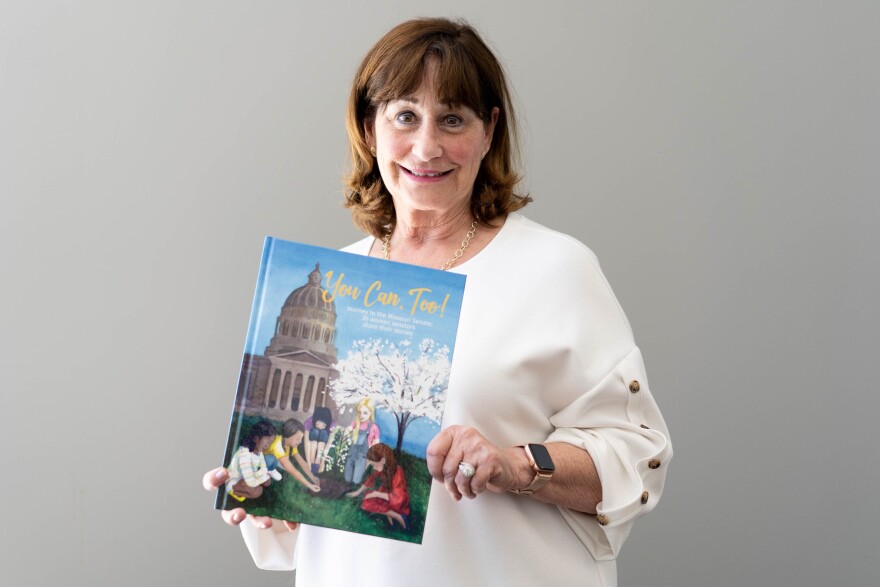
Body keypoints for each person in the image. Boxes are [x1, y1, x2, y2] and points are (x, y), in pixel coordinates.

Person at [204, 17, 672, 585]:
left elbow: (636, 455)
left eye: (452, 118)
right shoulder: (341, 279)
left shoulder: (554, 269)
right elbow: (320, 522)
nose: (427, 146)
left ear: (489, 130)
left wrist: (513, 463)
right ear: (369, 128)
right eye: (405, 115)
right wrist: (263, 496)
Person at [346, 443, 411, 530]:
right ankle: (390, 514)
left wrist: (376, 494)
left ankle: (398, 517)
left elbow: (399, 497)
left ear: (383, 460)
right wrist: (357, 492)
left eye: (374, 464)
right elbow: (370, 480)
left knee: (371, 499)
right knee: (365, 504)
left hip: (398, 499)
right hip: (386, 495)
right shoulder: (381, 468)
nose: (373, 468)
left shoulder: (397, 472)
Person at [264, 418, 321, 493]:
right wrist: (309, 485)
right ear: (289, 434)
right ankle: (269, 471)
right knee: (288, 468)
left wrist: (312, 477)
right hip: (264, 461)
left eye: (301, 439)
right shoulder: (278, 447)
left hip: (279, 459)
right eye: (298, 439)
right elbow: (291, 470)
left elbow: (301, 462)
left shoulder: (290, 444)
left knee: (288, 465)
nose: (300, 442)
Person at [224, 419, 275, 501]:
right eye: (267, 443)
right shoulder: (245, 455)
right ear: (256, 439)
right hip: (234, 480)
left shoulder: (259, 452)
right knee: (257, 491)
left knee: (267, 482)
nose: (267, 446)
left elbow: (264, 468)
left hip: (247, 477)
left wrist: (262, 476)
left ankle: (244, 488)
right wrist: (261, 477)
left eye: (269, 443)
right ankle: (233, 490)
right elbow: (250, 481)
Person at [304, 406, 333, 474]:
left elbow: (329, 443)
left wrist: (322, 462)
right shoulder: (309, 421)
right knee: (315, 431)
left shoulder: (332, 425)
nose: (320, 427)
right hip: (313, 440)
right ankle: (312, 458)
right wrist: (308, 460)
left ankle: (318, 459)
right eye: (317, 424)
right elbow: (306, 441)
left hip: (322, 442)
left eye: (323, 426)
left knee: (323, 432)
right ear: (314, 420)